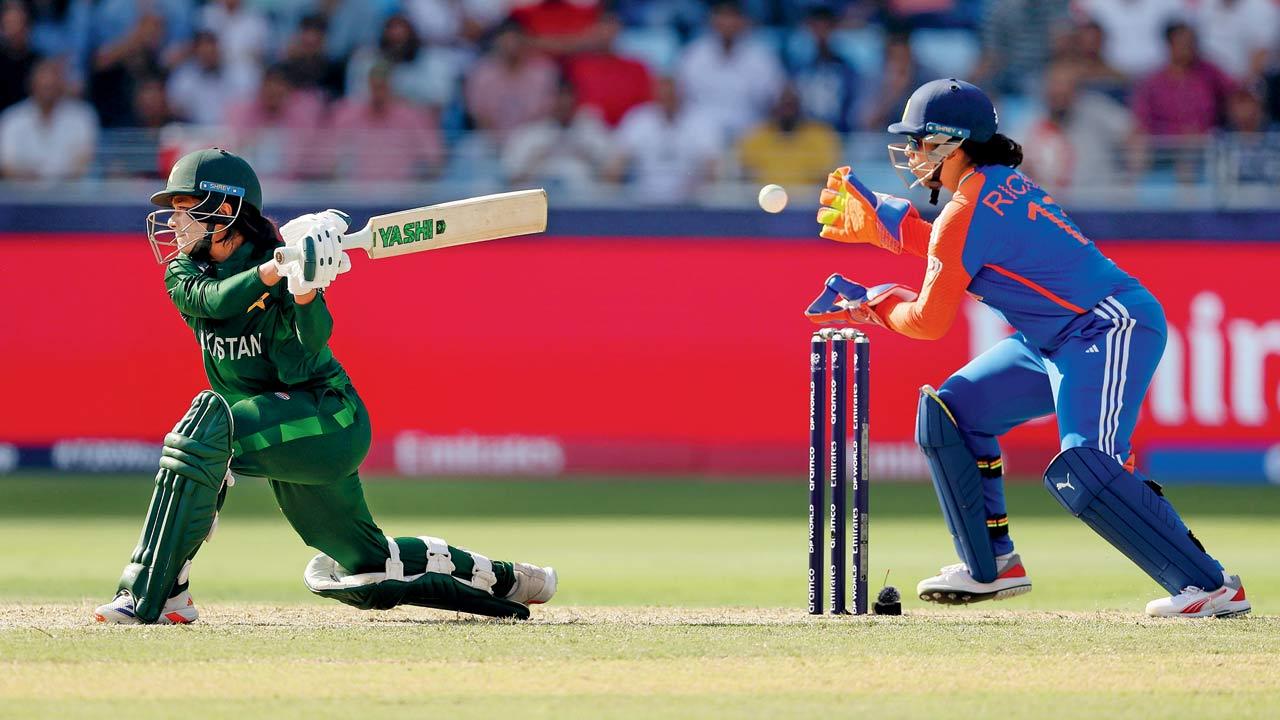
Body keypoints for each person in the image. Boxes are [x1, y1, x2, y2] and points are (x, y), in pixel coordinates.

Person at [810, 79, 1250, 618]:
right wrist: (892, 225)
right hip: (1051, 342)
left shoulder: (968, 208)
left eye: (919, 141)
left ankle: (1209, 585)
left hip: (1107, 329)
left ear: (951, 142)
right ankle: (990, 567)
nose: (910, 154)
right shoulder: (990, 188)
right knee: (950, 413)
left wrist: (872, 304)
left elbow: (927, 320)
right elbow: (964, 247)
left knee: (1089, 468)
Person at [93, 148, 557, 625]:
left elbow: (311, 346)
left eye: (185, 206)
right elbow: (210, 301)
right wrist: (275, 270)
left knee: (206, 427)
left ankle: (157, 591)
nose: (173, 220)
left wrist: (306, 288)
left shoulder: (290, 269)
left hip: (327, 417)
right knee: (369, 566)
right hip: (274, 425)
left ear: (226, 210)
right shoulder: (188, 272)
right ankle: (509, 578)